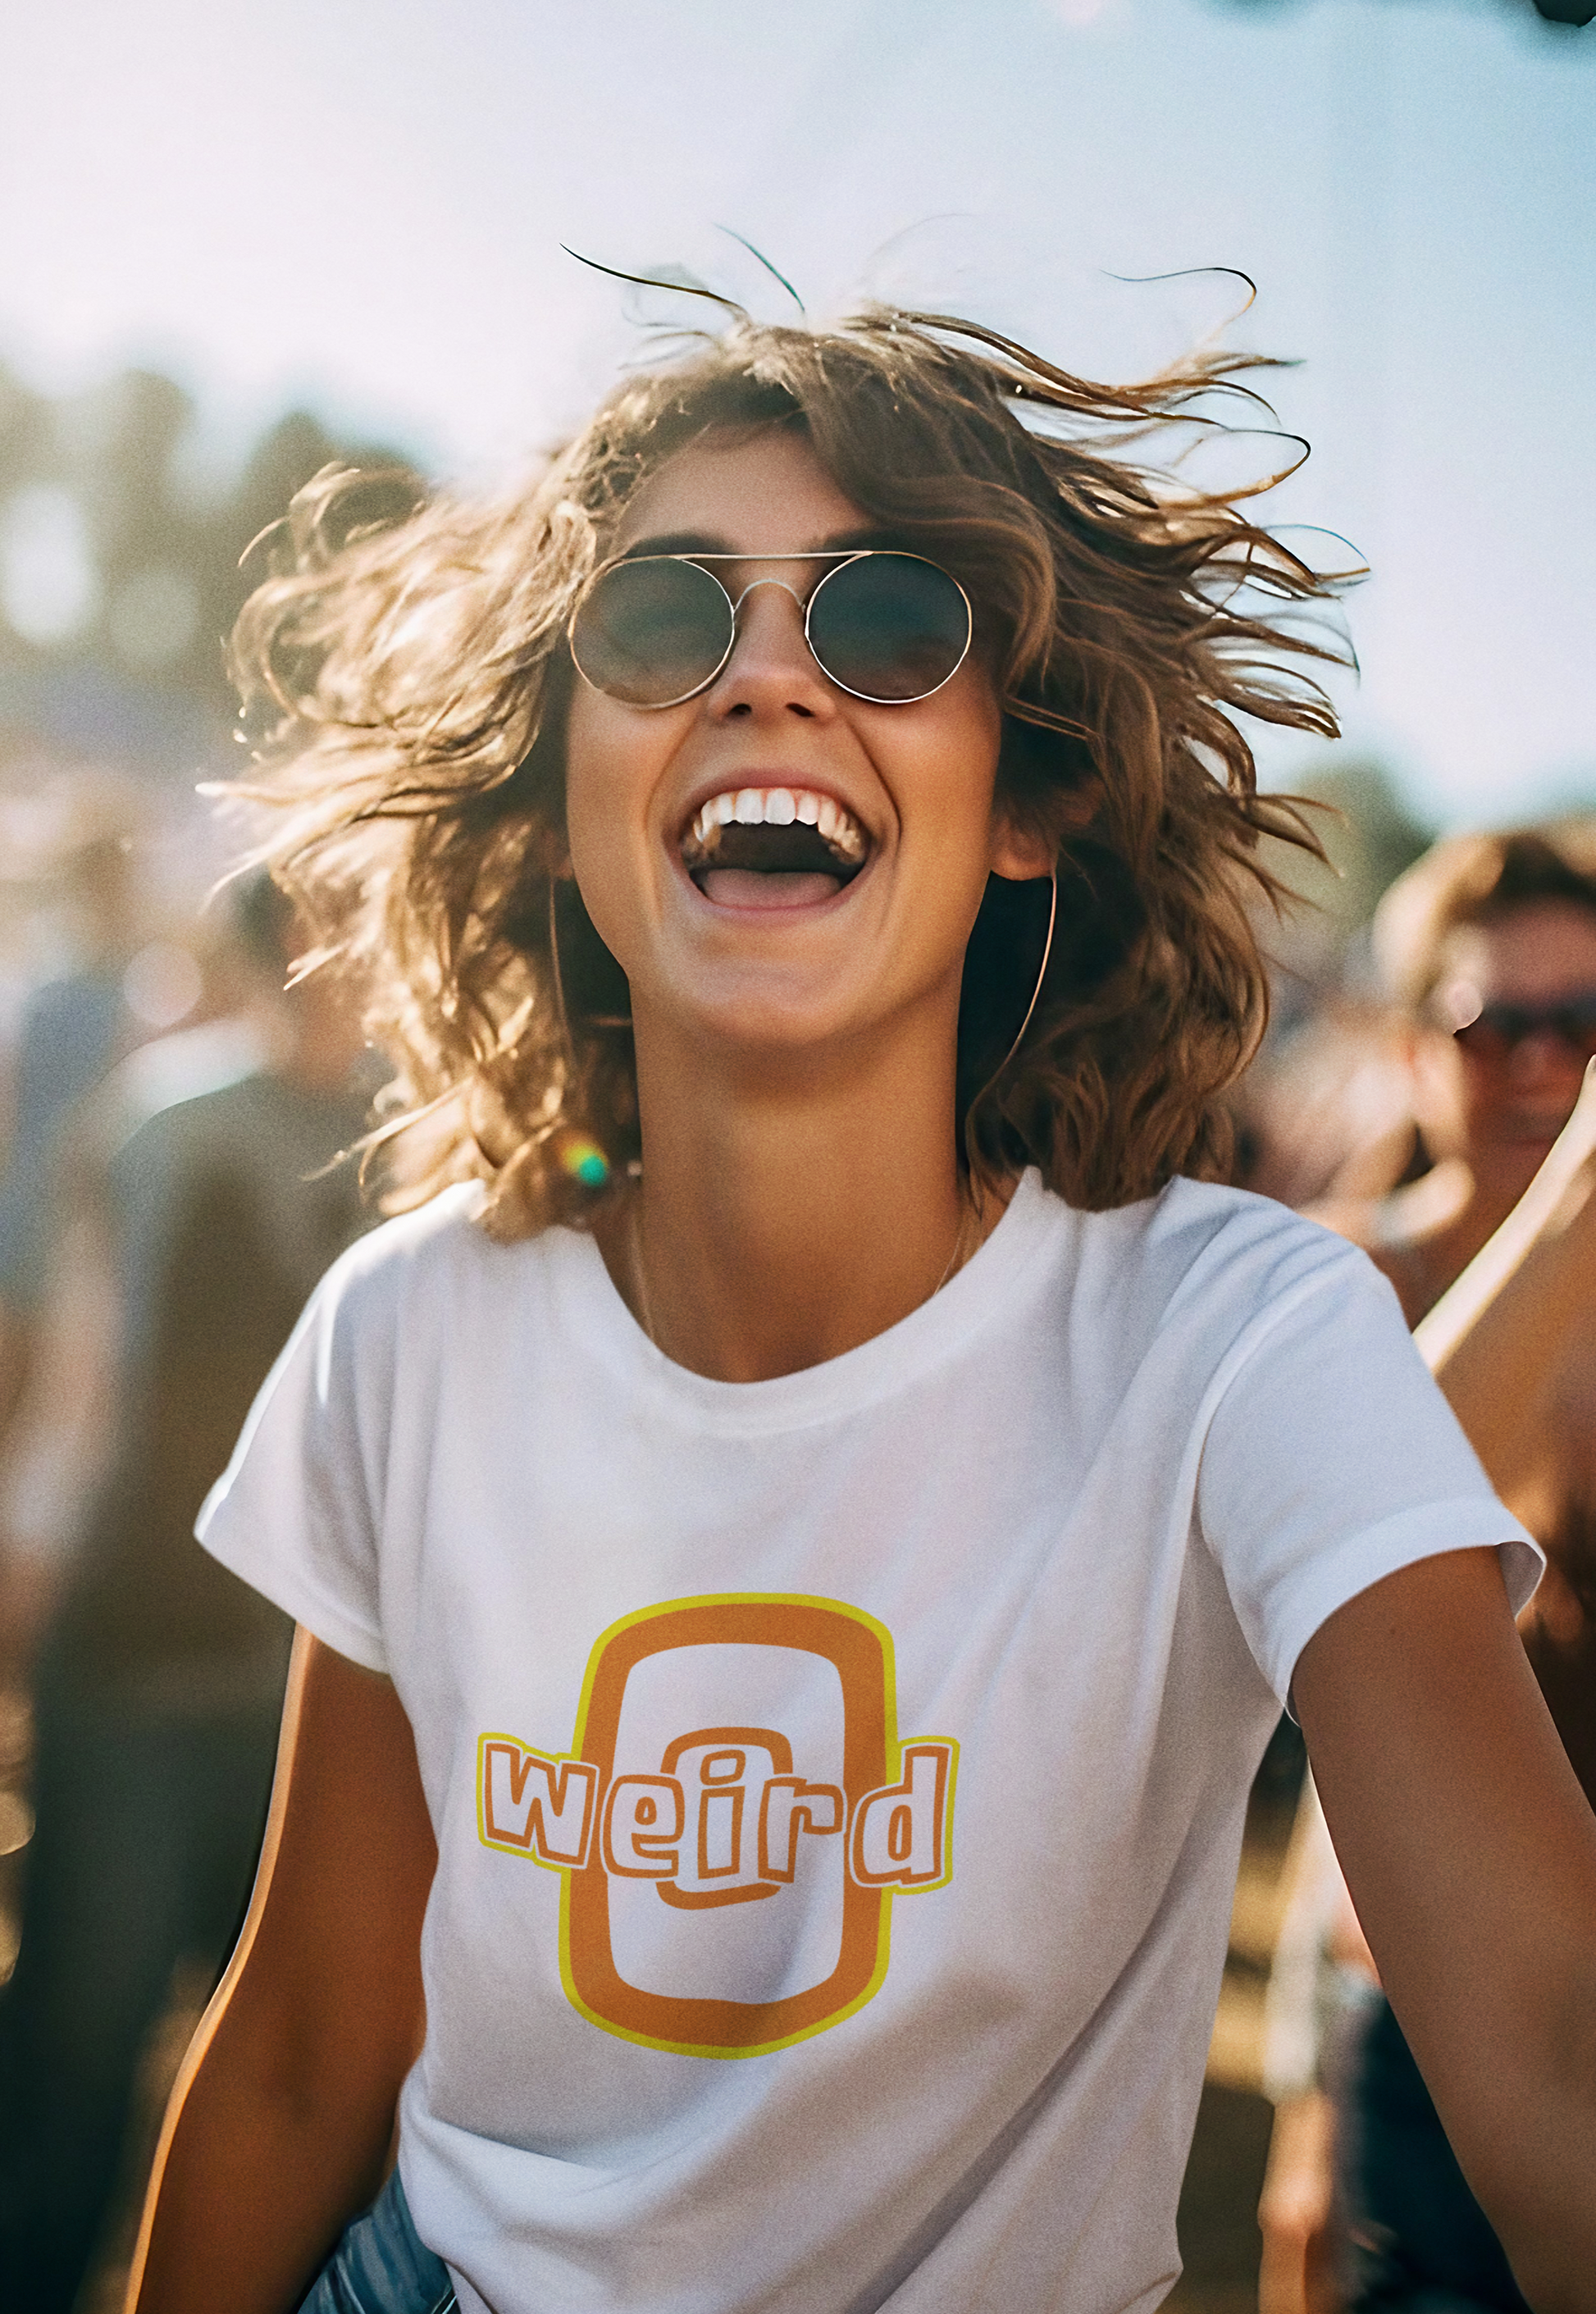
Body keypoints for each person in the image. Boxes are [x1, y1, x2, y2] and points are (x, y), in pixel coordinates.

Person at [125, 308, 1596, 2314]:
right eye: (660, 620)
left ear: (1026, 803)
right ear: (568, 787)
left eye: (890, 622)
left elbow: (1553, 2057)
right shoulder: (411, 1332)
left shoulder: (1239, 1339)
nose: (764, 677)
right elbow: (298, 2058)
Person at [0, 875, 373, 2311]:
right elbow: (83, 1380)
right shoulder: (165, 1122)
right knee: (78, 2060)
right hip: (145, 1658)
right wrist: (28, 1575)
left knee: (326, 2088)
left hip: (343, 1697)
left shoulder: (457, 1129)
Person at [1259, 827, 1596, 2313]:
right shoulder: (1332, 1283)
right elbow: (1377, 1542)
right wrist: (1304, 2095)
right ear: (1409, 1053)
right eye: (1491, 1025)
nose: (1539, 1065)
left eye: (1581, 1026)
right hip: (1422, 2009)